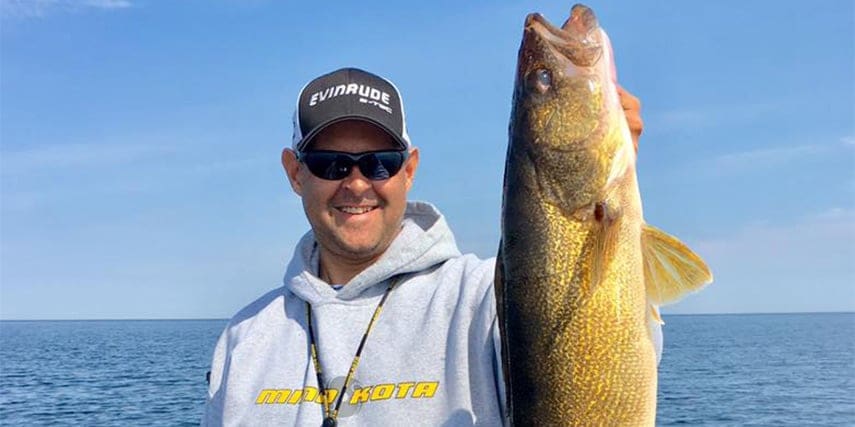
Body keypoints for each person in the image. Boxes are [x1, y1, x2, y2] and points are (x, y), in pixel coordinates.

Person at [202, 67, 651, 426]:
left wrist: (603, 164)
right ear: (295, 173)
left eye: (380, 163)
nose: (356, 184)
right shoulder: (244, 340)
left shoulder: (484, 300)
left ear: (409, 170)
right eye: (330, 164)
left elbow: (602, 337)